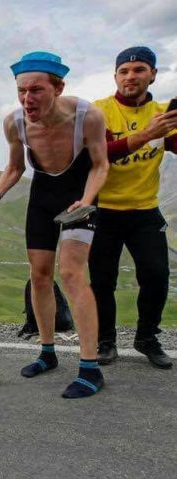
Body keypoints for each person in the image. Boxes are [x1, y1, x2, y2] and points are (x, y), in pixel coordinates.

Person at [0, 51, 109, 398]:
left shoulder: (88, 116)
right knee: (39, 275)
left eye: (36, 90)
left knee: (72, 273)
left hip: (79, 193)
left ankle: (90, 367)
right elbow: (15, 169)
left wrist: (87, 201)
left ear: (58, 87)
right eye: (21, 91)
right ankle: (47, 352)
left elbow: (101, 165)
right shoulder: (14, 123)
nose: (27, 99)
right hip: (43, 194)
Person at [90, 46, 177, 369]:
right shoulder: (100, 111)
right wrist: (146, 135)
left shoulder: (162, 112)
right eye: (124, 71)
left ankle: (146, 338)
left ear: (153, 74)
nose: (131, 77)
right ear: (115, 76)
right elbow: (100, 154)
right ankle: (105, 341)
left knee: (156, 275)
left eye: (139, 69)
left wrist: (164, 132)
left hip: (144, 210)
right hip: (104, 209)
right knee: (101, 280)